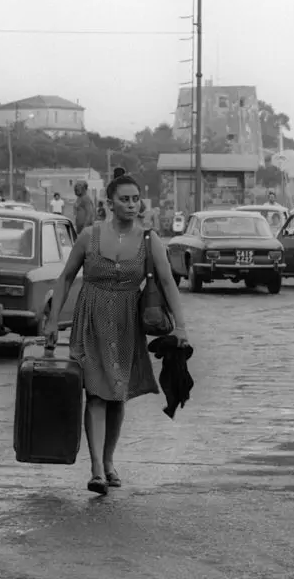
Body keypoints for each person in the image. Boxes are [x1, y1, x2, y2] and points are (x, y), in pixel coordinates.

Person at [45, 174, 189, 496]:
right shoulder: (88, 236)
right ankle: (97, 468)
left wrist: (181, 327)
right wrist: (53, 321)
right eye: (124, 199)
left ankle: (109, 460)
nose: (131, 204)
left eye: (136, 199)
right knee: (96, 393)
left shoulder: (150, 241)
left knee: (117, 395)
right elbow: (65, 278)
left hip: (127, 323)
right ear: (110, 204)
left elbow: (168, 285)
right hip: (91, 320)